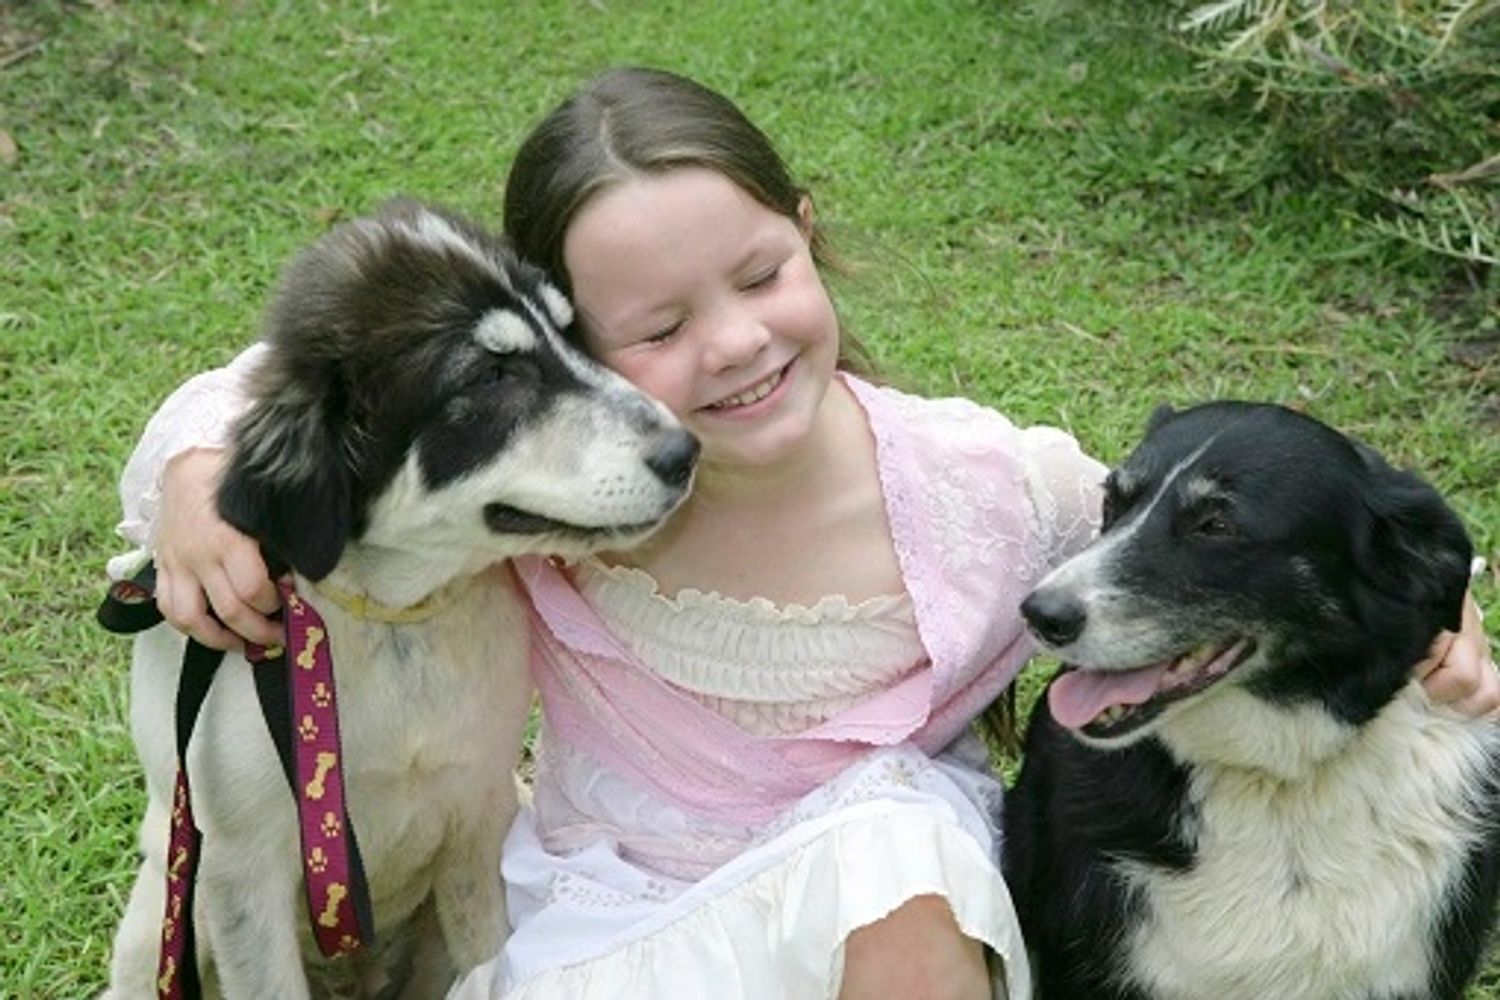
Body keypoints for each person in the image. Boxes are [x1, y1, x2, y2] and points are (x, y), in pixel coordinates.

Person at [115, 67, 1498, 999]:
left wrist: (1448, 619)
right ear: (566, 355)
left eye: (764, 276)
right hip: (619, 914)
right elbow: (291, 386)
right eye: (653, 332)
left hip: (881, 920)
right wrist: (190, 472)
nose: (731, 346)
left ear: (809, 237)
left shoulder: (983, 489)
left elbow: (1230, 535)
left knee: (896, 853)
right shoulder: (562, 509)